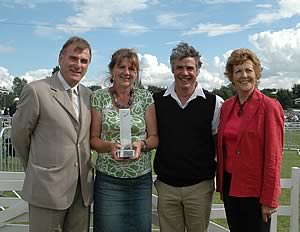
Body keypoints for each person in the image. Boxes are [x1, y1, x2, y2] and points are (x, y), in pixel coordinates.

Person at [11, 36, 94, 232]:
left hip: (81, 192)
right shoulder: (36, 90)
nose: (78, 65)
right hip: (47, 190)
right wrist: (37, 169)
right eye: (73, 58)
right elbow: (19, 137)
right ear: (60, 59)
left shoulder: (88, 95)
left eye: (84, 61)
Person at [153, 42, 223, 232]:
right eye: (180, 67)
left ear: (198, 70)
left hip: (199, 187)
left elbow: (218, 144)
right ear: (172, 69)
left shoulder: (214, 103)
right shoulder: (157, 101)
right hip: (166, 186)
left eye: (190, 68)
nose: (185, 73)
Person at [90, 48, 159, 232]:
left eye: (132, 68)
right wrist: (110, 146)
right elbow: (93, 139)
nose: (126, 72)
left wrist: (141, 145)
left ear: (136, 73)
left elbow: (154, 138)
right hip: (108, 180)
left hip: (140, 179)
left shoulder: (145, 97)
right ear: (112, 70)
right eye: (121, 67)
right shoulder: (99, 97)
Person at [216, 48, 284, 232]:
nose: (244, 75)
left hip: (256, 192)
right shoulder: (227, 106)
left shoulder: (270, 107)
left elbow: (274, 158)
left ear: (256, 74)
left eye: (248, 70)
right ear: (231, 76)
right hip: (230, 188)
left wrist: (269, 200)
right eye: (238, 71)